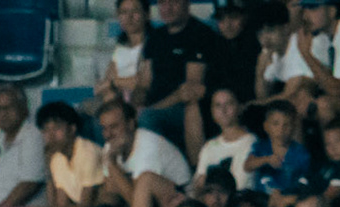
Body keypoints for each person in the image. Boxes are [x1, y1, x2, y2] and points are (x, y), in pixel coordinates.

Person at [19, 101, 104, 207]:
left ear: (72, 129)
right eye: (45, 130)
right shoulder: (57, 158)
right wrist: (48, 168)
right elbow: (59, 205)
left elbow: (85, 206)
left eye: (56, 128)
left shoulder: (87, 152)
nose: (50, 135)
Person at [97, 99, 193, 207]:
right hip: (154, 205)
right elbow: (110, 191)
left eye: (114, 127)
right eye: (104, 128)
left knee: (145, 179)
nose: (108, 134)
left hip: (183, 197)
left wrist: (112, 164)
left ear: (130, 124)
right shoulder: (110, 147)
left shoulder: (147, 145)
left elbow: (136, 201)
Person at [137, 0, 215, 156]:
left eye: (173, 2)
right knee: (104, 119)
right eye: (162, 3)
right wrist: (134, 106)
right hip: (154, 107)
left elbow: (189, 90)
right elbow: (143, 84)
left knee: (147, 118)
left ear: (186, 4)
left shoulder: (201, 34)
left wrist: (152, 109)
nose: (167, 8)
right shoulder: (155, 37)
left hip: (185, 109)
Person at [244, 101, 312, 207]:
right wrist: (266, 160)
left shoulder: (301, 153)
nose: (281, 129)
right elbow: (247, 166)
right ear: (266, 126)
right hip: (262, 201)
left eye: (287, 124)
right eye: (276, 124)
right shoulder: (261, 147)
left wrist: (284, 198)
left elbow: (303, 185)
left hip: (288, 203)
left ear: (293, 127)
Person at [96, 0, 152, 115]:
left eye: (135, 11)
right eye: (124, 12)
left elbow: (143, 82)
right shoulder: (119, 47)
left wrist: (114, 83)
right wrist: (111, 85)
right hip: (118, 97)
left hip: (143, 100)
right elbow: (108, 79)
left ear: (146, 14)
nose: (129, 17)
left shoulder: (154, 44)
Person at [196, 87, 257, 188]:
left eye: (229, 104)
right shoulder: (209, 146)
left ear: (240, 107)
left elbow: (240, 184)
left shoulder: (250, 142)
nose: (223, 110)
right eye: (218, 105)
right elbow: (198, 185)